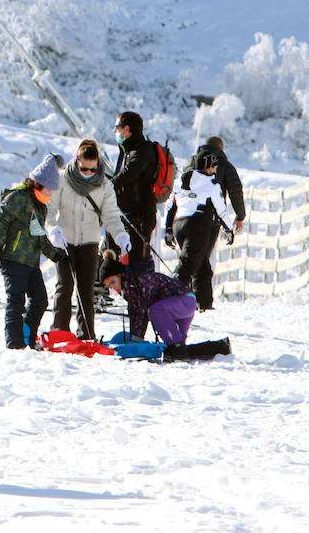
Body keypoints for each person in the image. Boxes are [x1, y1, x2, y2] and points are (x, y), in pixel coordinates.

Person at [45, 139, 128, 340]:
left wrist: (120, 234)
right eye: (84, 169)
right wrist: (53, 230)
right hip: (64, 241)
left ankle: (87, 334)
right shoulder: (62, 180)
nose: (89, 173)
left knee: (86, 290)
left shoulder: (105, 185)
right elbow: (49, 210)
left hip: (89, 243)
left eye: (93, 169)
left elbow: (110, 216)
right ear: (76, 161)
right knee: (64, 287)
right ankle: (60, 331)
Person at [0, 154, 67, 350]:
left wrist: (55, 255)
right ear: (38, 184)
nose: (50, 194)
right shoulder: (18, 197)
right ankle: (15, 343)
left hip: (31, 262)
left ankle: (27, 336)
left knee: (40, 300)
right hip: (13, 259)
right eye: (49, 190)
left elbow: (39, 235)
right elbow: (2, 222)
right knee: (16, 301)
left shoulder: (40, 206)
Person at [99, 255, 230, 361]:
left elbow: (141, 311)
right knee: (179, 350)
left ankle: (177, 348)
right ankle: (219, 347)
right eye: (110, 285)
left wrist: (136, 340)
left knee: (156, 312)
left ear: (121, 274)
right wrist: (135, 338)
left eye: (113, 282)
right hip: (181, 303)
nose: (113, 287)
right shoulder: (130, 285)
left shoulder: (138, 280)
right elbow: (135, 312)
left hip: (183, 301)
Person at [166, 146, 232, 311]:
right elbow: (221, 210)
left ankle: (204, 303)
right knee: (187, 265)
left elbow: (170, 206)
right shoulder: (212, 184)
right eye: (214, 167)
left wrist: (168, 230)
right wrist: (229, 229)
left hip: (178, 224)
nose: (215, 170)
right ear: (208, 167)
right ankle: (168, 298)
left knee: (201, 264)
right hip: (198, 224)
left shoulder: (180, 180)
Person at [108, 111, 158, 269]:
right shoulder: (127, 151)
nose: (115, 131)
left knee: (137, 264)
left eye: (117, 128)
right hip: (123, 215)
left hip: (140, 218)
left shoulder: (143, 149)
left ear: (126, 129)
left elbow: (129, 174)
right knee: (111, 260)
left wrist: (107, 186)